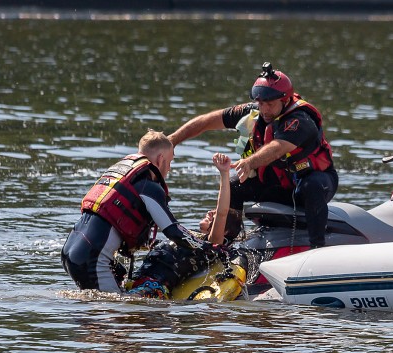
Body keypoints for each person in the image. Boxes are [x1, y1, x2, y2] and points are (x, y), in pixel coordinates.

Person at [168, 62, 338, 248]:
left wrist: (249, 163)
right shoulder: (254, 112)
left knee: (311, 185)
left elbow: (277, 147)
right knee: (234, 184)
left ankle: (317, 248)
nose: (264, 109)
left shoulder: (300, 121)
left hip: (312, 185)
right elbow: (208, 121)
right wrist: (173, 139)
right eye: (260, 103)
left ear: (285, 100)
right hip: (278, 187)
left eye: (270, 104)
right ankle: (224, 245)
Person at [61, 129, 217, 295]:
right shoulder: (148, 186)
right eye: (170, 162)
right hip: (92, 258)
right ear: (160, 159)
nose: (169, 168)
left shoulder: (121, 173)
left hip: (70, 252)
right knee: (114, 312)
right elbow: (174, 231)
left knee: (100, 306)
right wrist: (210, 248)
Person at [127, 153, 243, 299]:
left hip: (153, 287)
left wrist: (224, 173)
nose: (209, 212)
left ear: (224, 230)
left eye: (213, 214)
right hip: (138, 281)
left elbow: (222, 212)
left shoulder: (211, 244)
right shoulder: (190, 236)